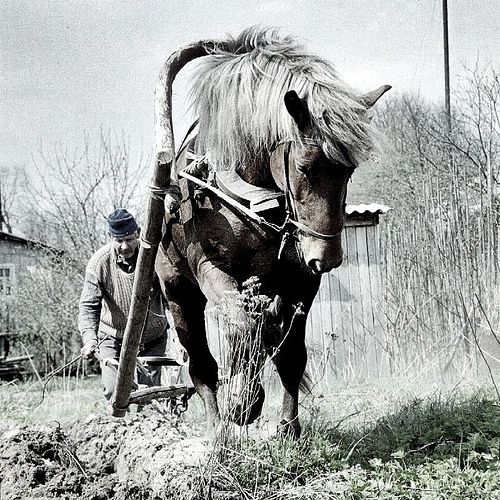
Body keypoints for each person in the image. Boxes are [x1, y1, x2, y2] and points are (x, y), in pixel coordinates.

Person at [78, 208, 169, 401]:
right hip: (113, 338)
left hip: (152, 338)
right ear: (111, 237)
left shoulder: (154, 257)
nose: (125, 246)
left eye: (129, 239)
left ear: (137, 233)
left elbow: (171, 297)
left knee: (149, 395)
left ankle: (150, 427)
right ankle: (122, 427)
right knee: (114, 391)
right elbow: (88, 307)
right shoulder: (99, 263)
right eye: (119, 240)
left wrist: (180, 337)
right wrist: (89, 339)